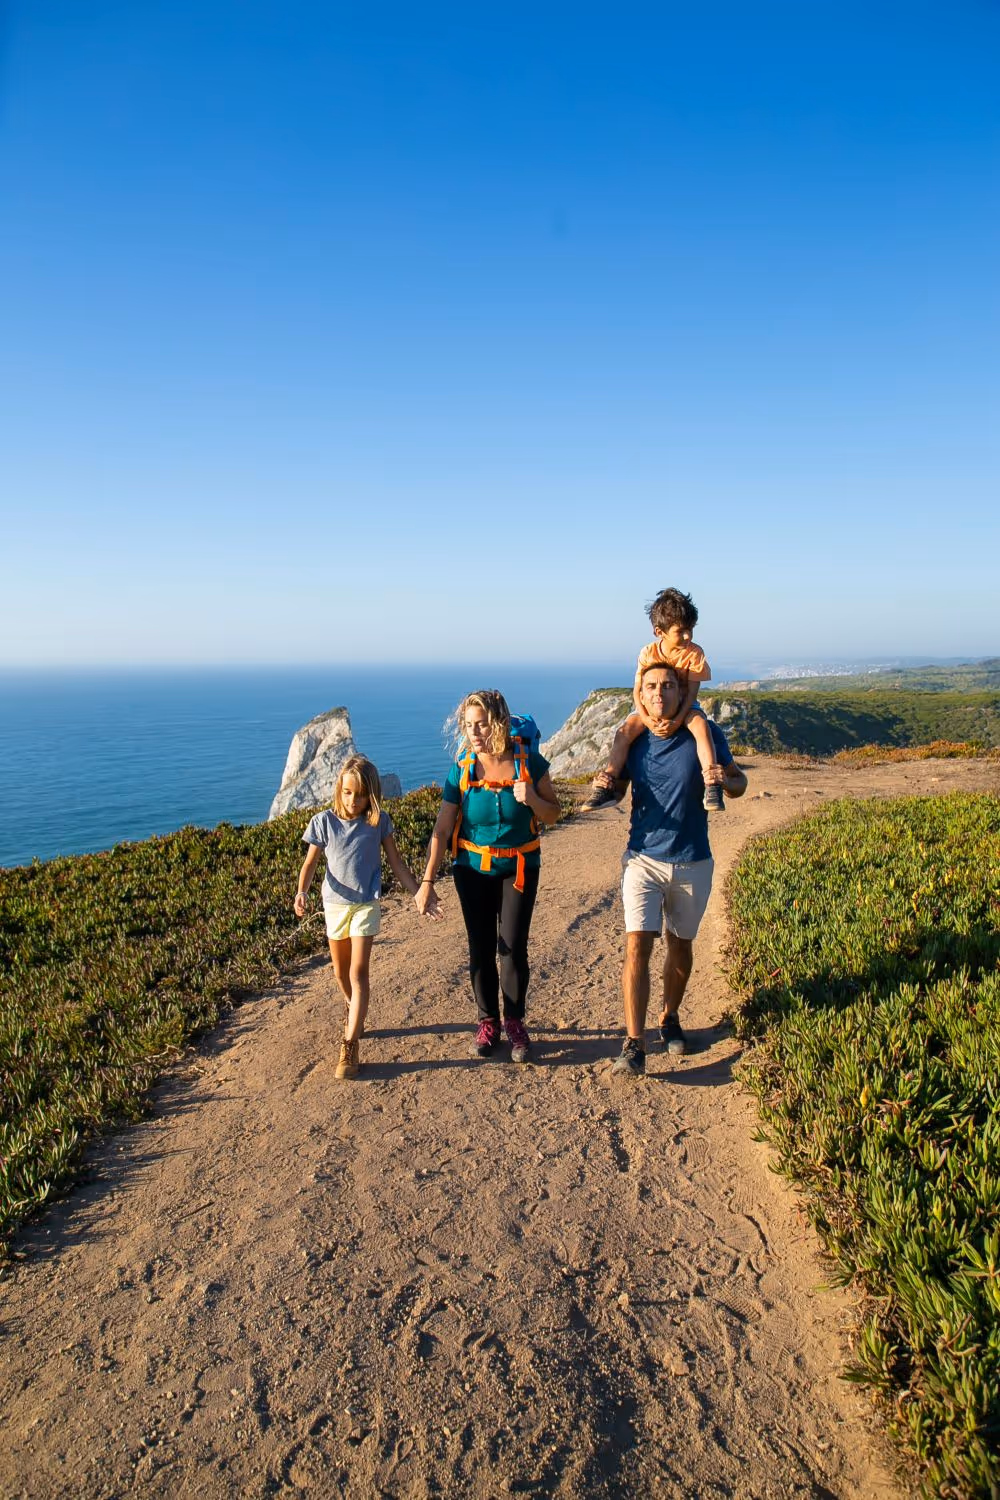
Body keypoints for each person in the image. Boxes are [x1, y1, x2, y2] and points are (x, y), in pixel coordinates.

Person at [612, 663, 747, 1078]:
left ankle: (669, 1018)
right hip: (643, 859)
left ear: (680, 690)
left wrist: (724, 779)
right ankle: (634, 1044)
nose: (658, 693)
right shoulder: (634, 735)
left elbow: (739, 784)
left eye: (667, 685)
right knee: (638, 944)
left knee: (680, 945)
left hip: (692, 859)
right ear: (641, 691)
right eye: (650, 686)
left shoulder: (702, 732)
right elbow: (618, 786)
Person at [416, 690, 560, 1063]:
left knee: (512, 946)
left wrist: (531, 797)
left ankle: (515, 1022)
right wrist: (427, 882)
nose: (474, 732)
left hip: (519, 869)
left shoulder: (529, 763)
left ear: (498, 721)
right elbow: (443, 828)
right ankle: (487, 1022)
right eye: (468, 725)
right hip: (471, 870)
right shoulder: (462, 768)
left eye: (481, 724)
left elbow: (553, 815)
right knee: (480, 946)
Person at [294, 754, 439, 1080]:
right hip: (334, 907)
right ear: (338, 790)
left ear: (370, 794)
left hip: (365, 907)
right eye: (347, 792)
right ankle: (355, 1012)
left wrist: (418, 892)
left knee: (358, 975)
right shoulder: (323, 822)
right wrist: (301, 891)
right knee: (340, 975)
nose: (353, 800)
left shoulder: (378, 822)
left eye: (360, 794)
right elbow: (310, 864)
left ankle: (350, 1045)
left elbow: (397, 863)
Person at [582, 587, 724, 813]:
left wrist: (678, 720)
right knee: (625, 731)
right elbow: (638, 691)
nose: (688, 637)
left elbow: (692, 694)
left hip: (684, 704)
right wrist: (646, 720)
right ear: (660, 631)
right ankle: (607, 782)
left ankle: (712, 783)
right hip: (650, 706)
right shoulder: (648, 653)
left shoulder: (694, 653)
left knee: (700, 726)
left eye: (691, 630)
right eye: (681, 631)